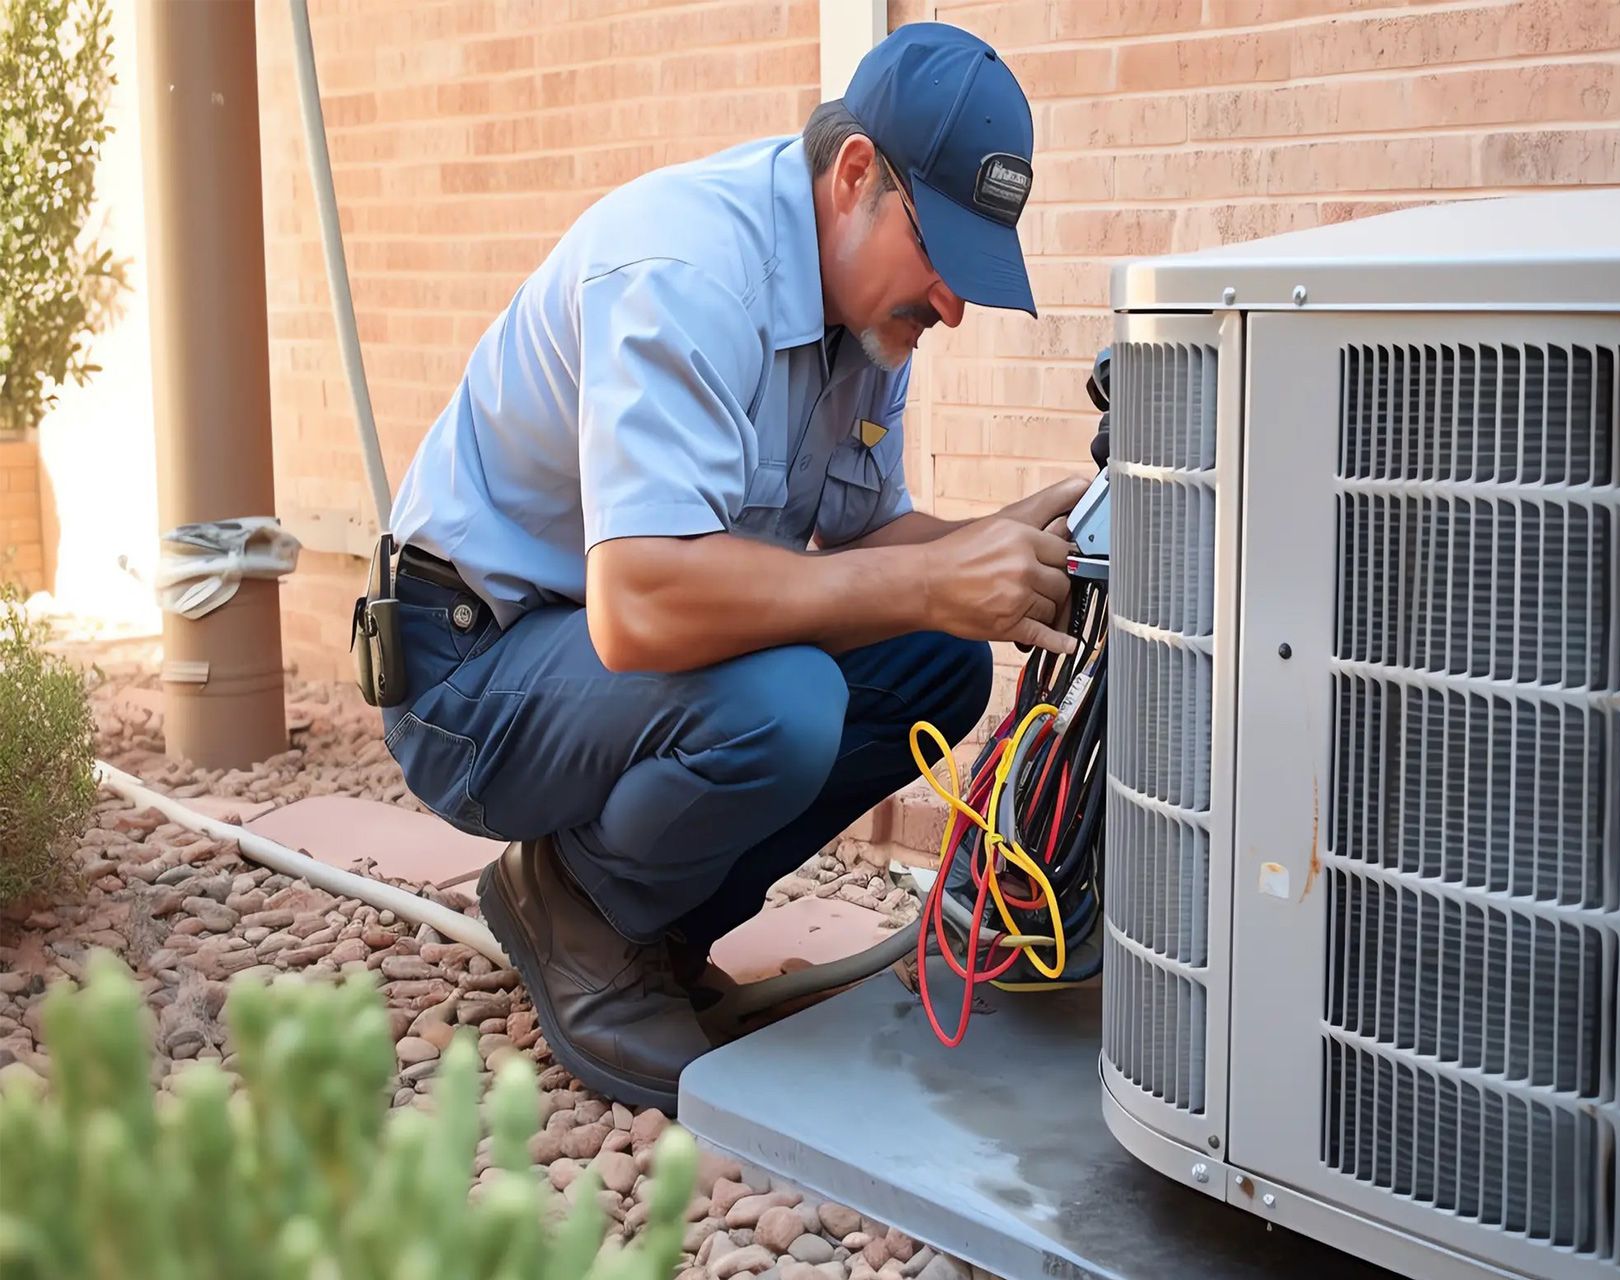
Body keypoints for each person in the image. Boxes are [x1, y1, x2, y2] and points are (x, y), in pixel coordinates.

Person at [369, 22, 1089, 1112]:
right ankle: (582, 912)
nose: (950, 305)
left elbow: (852, 555)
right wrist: (927, 580)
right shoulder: (686, 269)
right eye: (940, 256)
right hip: (470, 667)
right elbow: (641, 604)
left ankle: (654, 927)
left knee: (938, 664)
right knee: (785, 703)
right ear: (855, 177)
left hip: (599, 659)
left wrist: (998, 537)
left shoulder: (867, 322)